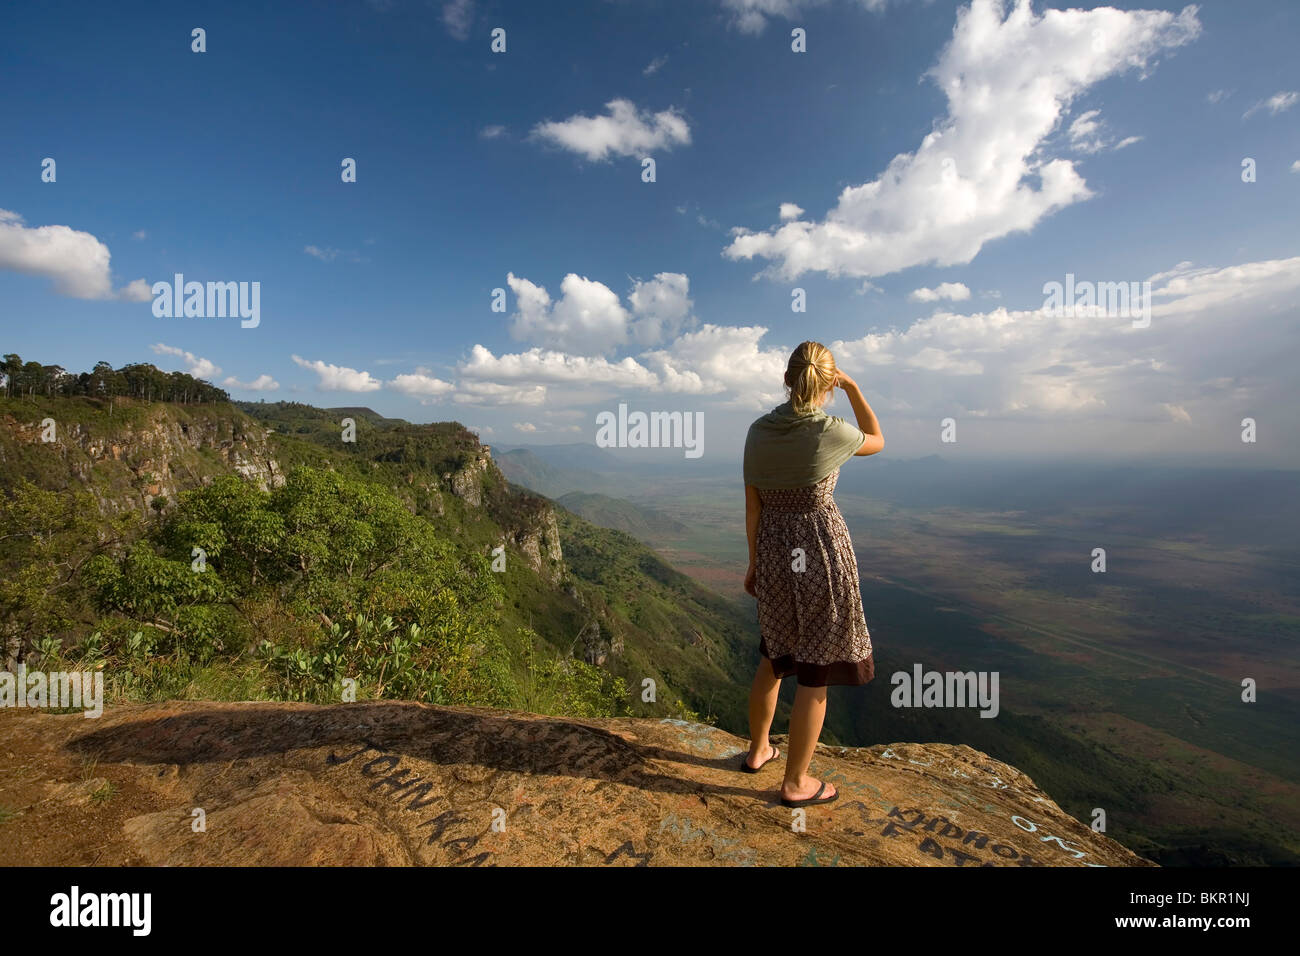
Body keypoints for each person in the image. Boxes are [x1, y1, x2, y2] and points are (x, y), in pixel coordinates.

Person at [739, 340, 884, 807]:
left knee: (774, 654)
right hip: (821, 551)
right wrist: (856, 389)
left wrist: (755, 563)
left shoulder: (758, 431)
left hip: (775, 551)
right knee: (816, 669)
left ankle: (759, 749)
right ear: (828, 385)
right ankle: (796, 782)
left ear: (786, 379)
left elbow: (753, 506)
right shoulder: (830, 431)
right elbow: (877, 440)